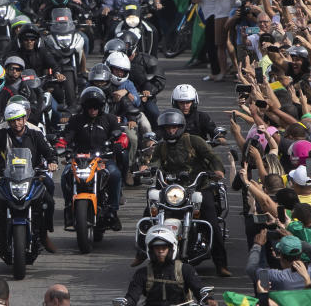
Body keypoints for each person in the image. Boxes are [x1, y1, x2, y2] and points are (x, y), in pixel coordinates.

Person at [138, 109, 230, 276]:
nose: (171, 131)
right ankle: (140, 252)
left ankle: (221, 264)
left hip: (198, 187)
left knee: (211, 221)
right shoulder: (162, 146)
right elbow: (155, 161)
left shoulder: (195, 141)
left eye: (174, 127)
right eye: (167, 128)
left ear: (180, 127)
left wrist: (218, 170)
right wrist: (148, 168)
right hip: (172, 190)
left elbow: (211, 156)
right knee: (149, 212)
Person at [0, 98, 57, 253]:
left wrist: (52, 161)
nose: (17, 124)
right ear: (8, 122)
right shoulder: (3, 135)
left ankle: (43, 234)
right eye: (13, 121)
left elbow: (48, 152)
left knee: (49, 200)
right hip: (7, 177)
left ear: (25, 118)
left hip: (31, 176)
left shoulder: (35, 134)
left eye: (19, 120)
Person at [54, 87, 126, 231]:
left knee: (115, 174)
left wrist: (119, 144)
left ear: (101, 106)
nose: (92, 110)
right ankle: (69, 206)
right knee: (65, 176)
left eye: (96, 106)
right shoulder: (76, 120)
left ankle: (113, 209)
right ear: (84, 107)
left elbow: (121, 136)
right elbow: (66, 137)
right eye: (89, 106)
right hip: (79, 160)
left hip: (103, 160)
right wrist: (61, 146)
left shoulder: (110, 119)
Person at [124, 225, 217, 306]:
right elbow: (132, 297)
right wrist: (125, 303)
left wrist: (208, 299)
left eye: (164, 247)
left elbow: (198, 289)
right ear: (151, 250)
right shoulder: (142, 273)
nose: (160, 251)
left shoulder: (185, 270)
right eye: (157, 248)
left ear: (171, 248)